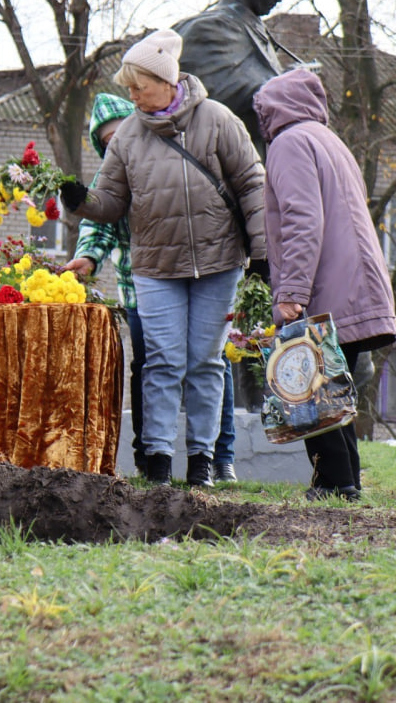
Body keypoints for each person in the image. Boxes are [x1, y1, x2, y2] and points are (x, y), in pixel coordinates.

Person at [60, 29, 267, 487]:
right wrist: (81, 201)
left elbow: (253, 185)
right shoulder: (129, 136)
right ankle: (156, 459)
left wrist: (263, 252)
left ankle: (202, 462)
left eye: (140, 87)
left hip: (218, 263)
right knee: (162, 362)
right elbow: (110, 201)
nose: (132, 96)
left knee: (206, 362)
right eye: (128, 88)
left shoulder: (217, 119)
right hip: (155, 268)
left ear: (167, 80)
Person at [253, 68, 396, 501]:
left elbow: (302, 220)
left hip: (325, 288)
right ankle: (345, 483)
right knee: (336, 389)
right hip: (356, 282)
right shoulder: (328, 140)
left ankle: (335, 485)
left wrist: (292, 293)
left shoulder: (288, 143)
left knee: (312, 388)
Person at [62, 94, 145, 474]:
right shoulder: (107, 178)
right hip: (138, 290)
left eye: (123, 135)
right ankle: (149, 457)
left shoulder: (164, 164)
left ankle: (218, 458)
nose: (117, 145)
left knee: (207, 367)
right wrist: (90, 256)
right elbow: (98, 223)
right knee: (145, 369)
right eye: (108, 142)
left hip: (186, 282)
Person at [172, 0, 292, 159]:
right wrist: (286, 88)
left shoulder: (253, 28)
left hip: (256, 162)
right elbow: (216, 97)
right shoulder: (211, 27)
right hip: (222, 165)